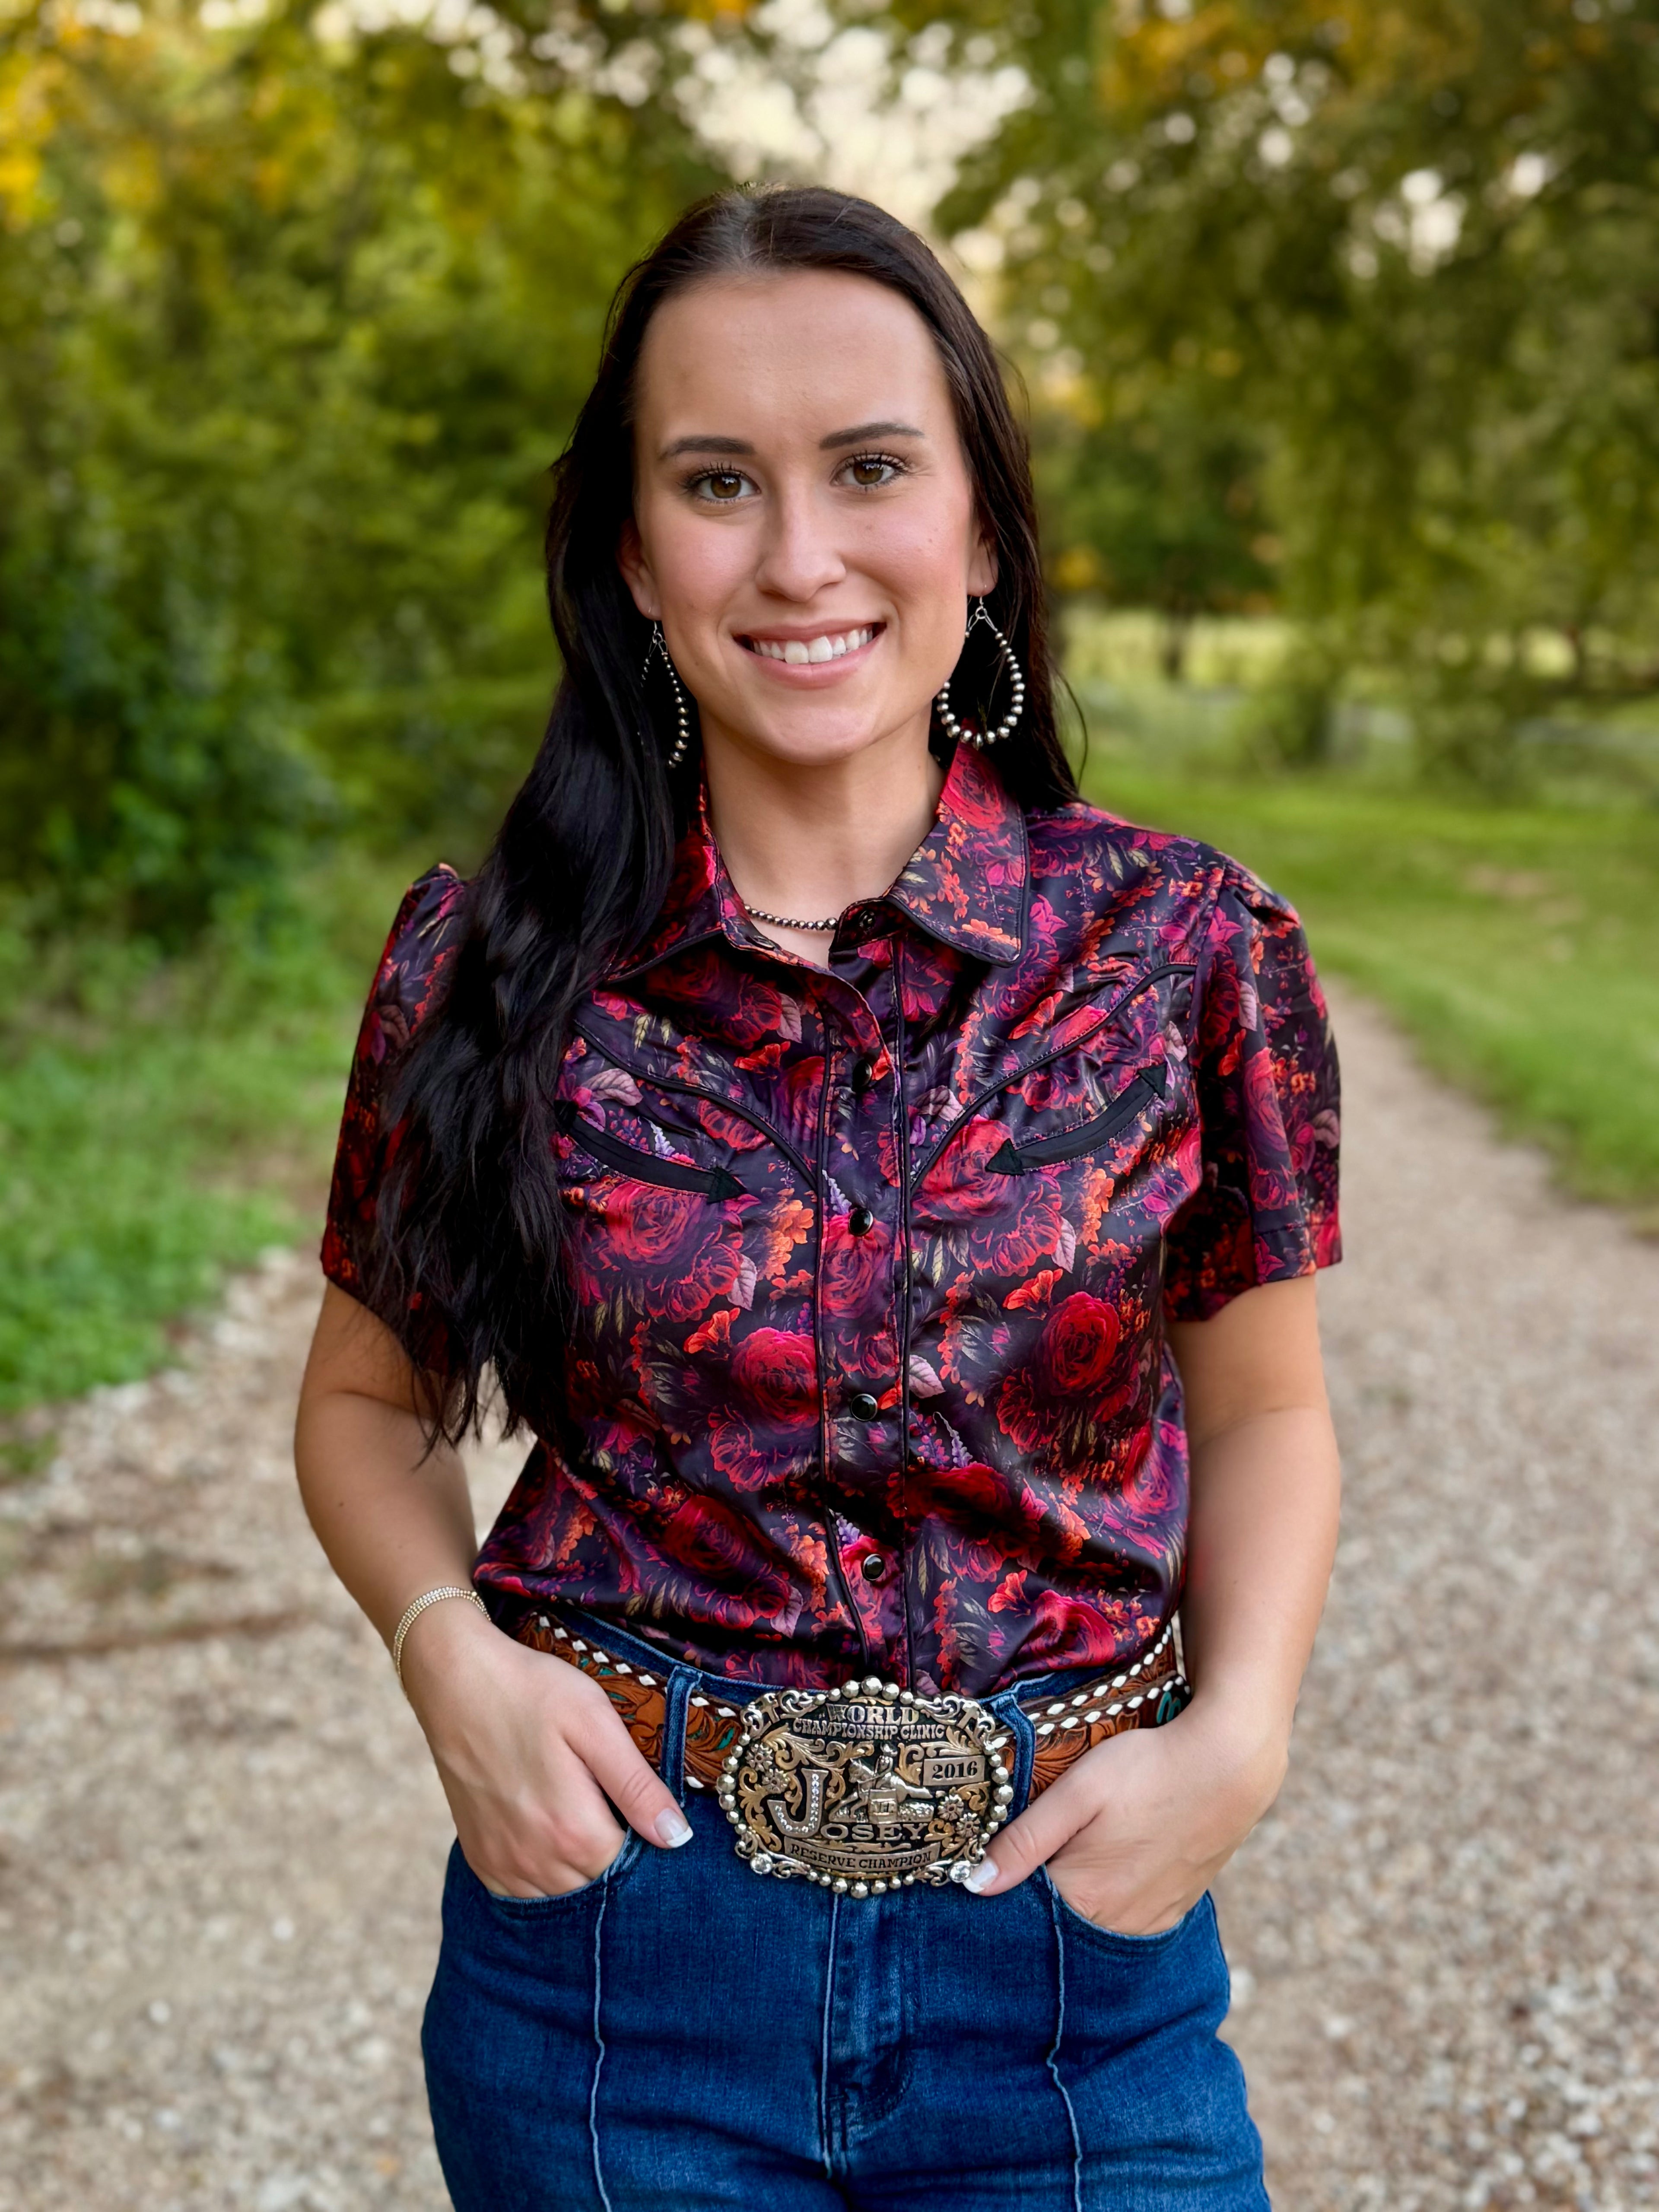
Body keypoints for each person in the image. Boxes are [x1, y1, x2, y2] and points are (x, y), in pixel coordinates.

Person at [293, 183, 1343, 2212]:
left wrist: (1249, 1731)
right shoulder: (484, 964)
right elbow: (361, 1407)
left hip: (1072, 1972)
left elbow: (1266, 1405)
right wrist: (450, 1660)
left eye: (870, 467)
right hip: (618, 1969)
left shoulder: (1180, 949)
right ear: (631, 547)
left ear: (978, 519)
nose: (798, 557)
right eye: (716, 481)